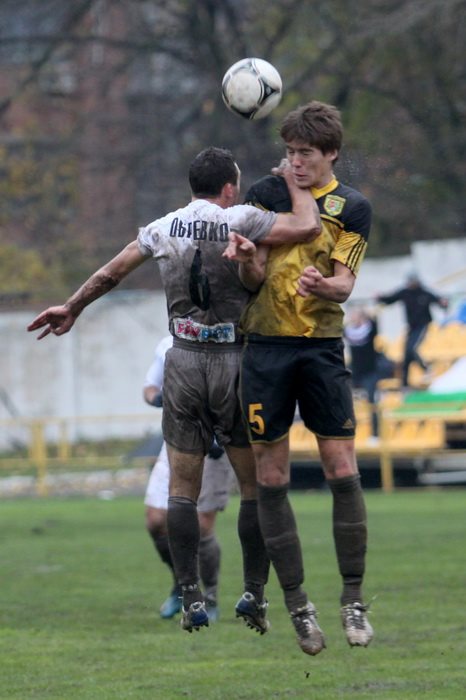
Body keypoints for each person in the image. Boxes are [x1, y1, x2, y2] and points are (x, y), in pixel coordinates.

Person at [27, 146, 321, 634]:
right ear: (229, 187)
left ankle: (190, 597)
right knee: (253, 489)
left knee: (181, 492)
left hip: (182, 360)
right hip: (233, 361)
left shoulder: (163, 227)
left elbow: (111, 273)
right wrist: (296, 180)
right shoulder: (242, 219)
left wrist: (72, 307)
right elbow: (308, 227)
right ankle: (253, 592)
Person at [227, 101, 374, 655]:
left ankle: (353, 601)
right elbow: (252, 278)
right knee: (270, 475)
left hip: (321, 350)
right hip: (265, 349)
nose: (295, 162)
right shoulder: (264, 195)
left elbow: (344, 285)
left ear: (331, 153)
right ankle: (298, 606)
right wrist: (247, 257)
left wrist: (322, 287)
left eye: (306, 153)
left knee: (342, 466)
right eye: (289, 152)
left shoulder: (351, 207)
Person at [143, 335, 236, 622]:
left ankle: (210, 597)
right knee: (156, 521)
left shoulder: (228, 336)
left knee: (201, 526)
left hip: (216, 445)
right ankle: (182, 585)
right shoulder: (169, 343)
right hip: (176, 440)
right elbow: (149, 387)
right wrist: (160, 398)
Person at [376, 273, 448, 388]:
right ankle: (405, 384)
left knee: (412, 349)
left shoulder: (424, 293)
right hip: (411, 327)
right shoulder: (405, 292)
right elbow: (390, 299)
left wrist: (444, 303)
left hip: (423, 325)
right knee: (406, 355)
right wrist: (380, 298)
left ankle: (426, 368)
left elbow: (439, 301)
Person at [344, 307, 382, 441]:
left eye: (355, 316)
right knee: (345, 400)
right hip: (356, 372)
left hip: (370, 372)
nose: (352, 318)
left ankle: (375, 434)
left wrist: (371, 315)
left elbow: (375, 325)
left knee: (372, 402)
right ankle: (347, 431)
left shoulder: (369, 330)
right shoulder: (349, 332)